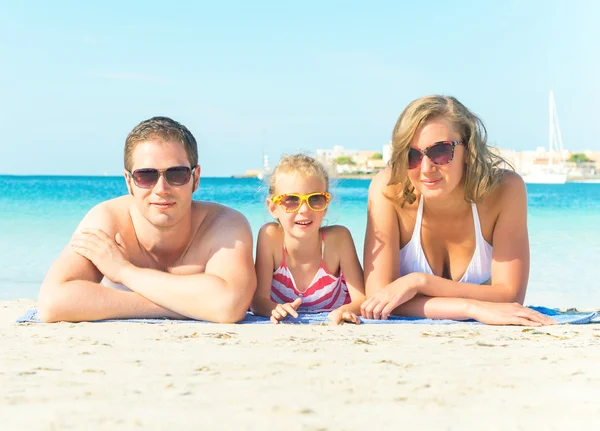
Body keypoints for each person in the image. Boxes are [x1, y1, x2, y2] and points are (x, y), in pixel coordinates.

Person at [38, 116, 256, 323]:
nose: (161, 189)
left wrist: (125, 271)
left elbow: (230, 305)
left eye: (176, 174)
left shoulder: (224, 226)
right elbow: (52, 302)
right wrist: (188, 305)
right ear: (129, 181)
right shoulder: (108, 221)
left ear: (195, 178)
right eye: (146, 176)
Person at [361, 95, 555, 326]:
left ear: (468, 149)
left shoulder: (505, 191)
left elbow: (510, 296)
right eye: (411, 155)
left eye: (440, 152)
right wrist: (470, 307)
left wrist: (419, 283)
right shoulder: (388, 190)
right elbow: (378, 300)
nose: (426, 168)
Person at [251, 154, 365, 324]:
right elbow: (257, 300)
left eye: (315, 199)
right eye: (291, 200)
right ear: (273, 208)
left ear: (326, 205)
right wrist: (273, 309)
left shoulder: (339, 240)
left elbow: (361, 299)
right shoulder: (270, 238)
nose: (304, 209)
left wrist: (344, 311)